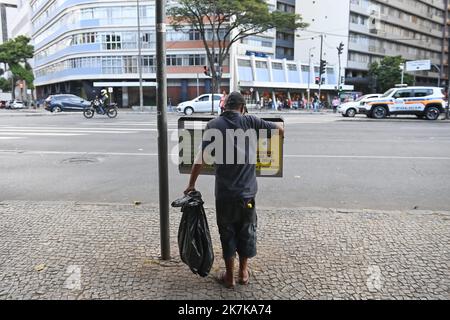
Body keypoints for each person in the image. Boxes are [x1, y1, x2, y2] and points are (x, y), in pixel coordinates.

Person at [184, 92, 284, 289]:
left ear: (224, 107)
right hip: (247, 194)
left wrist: (191, 185)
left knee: (227, 232)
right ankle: (243, 273)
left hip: (224, 195)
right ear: (242, 107)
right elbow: (280, 130)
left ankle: (229, 277)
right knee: (246, 230)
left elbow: (200, 159)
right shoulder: (251, 121)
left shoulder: (214, 125)